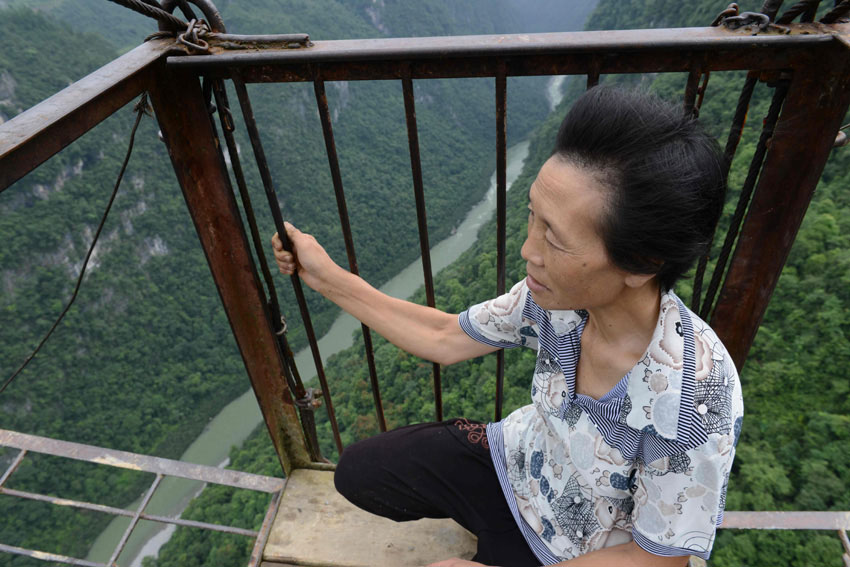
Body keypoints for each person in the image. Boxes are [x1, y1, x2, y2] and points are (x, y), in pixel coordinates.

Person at [271, 86, 744, 567]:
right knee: (360, 472)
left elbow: (657, 559)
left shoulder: (696, 400)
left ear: (640, 263)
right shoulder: (557, 300)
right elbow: (444, 337)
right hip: (519, 464)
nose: (528, 251)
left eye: (553, 239)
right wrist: (326, 277)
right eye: (532, 217)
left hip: (580, 550)